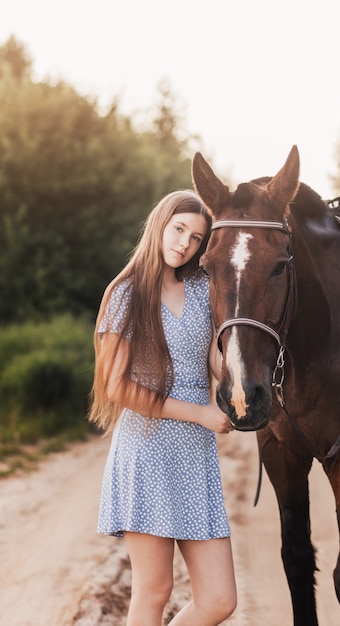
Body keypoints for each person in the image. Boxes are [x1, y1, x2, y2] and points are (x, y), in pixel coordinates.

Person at [89, 190, 237, 626]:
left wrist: (239, 373)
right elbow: (116, 387)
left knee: (218, 599)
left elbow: (212, 357)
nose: (184, 244)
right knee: (154, 592)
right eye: (178, 230)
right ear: (159, 224)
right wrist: (202, 414)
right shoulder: (125, 294)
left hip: (195, 456)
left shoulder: (201, 287)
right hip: (148, 452)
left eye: (195, 238)